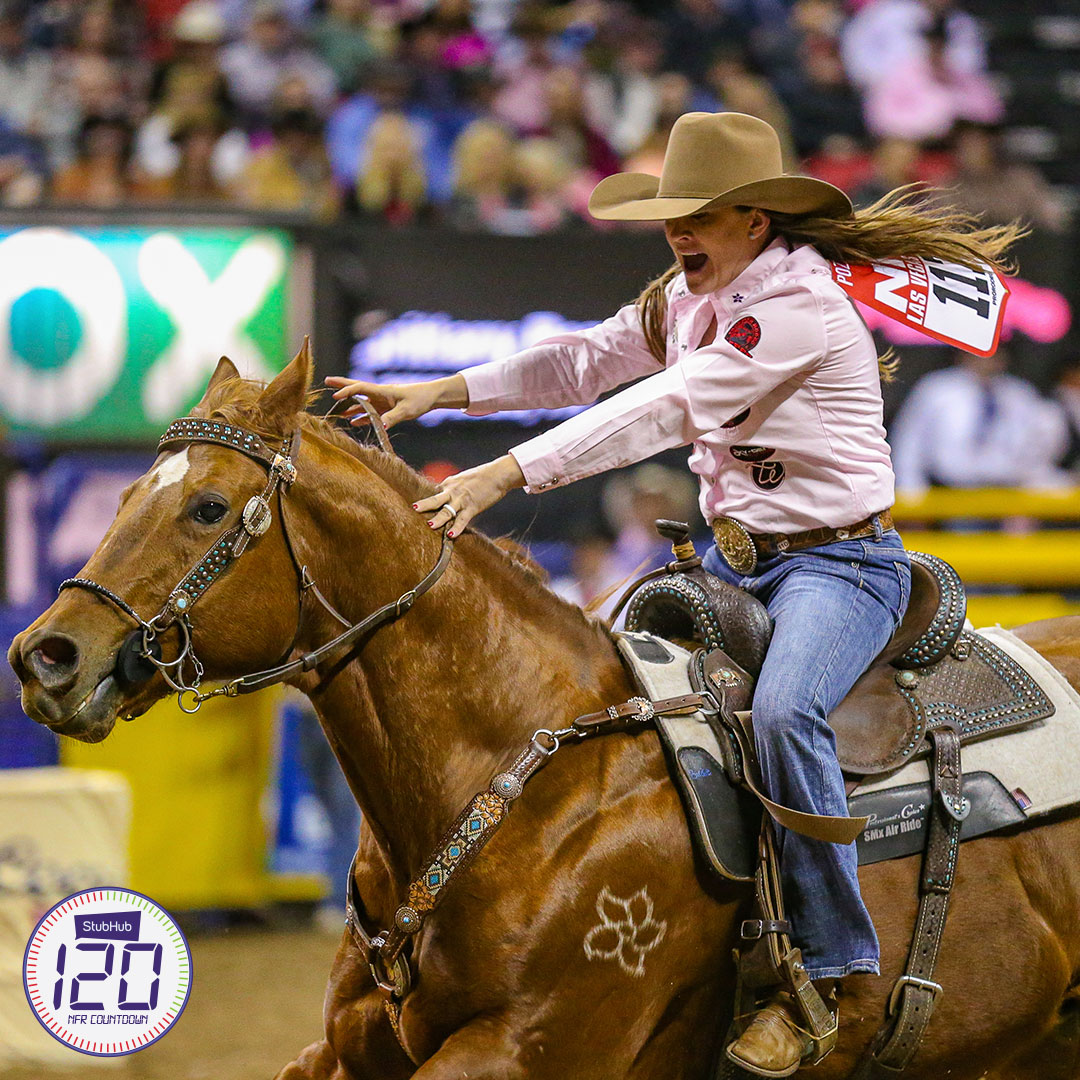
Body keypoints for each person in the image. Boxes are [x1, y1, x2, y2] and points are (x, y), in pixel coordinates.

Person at [325, 111, 1023, 1076]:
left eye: (697, 215)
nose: (676, 231)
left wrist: (504, 474)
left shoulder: (798, 307)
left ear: (754, 221)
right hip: (734, 562)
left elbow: (669, 406)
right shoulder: (687, 298)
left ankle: (828, 968)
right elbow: (582, 360)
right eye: (672, 214)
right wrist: (442, 393)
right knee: (593, 700)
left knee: (784, 714)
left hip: (842, 566)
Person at [889, 348, 1069, 492]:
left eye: (996, 353)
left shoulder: (1019, 393)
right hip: (948, 492)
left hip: (1009, 492)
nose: (987, 359)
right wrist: (911, 497)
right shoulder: (937, 388)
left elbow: (1040, 449)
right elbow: (908, 443)